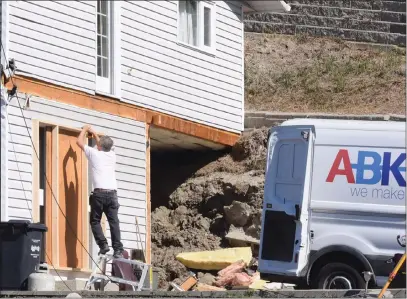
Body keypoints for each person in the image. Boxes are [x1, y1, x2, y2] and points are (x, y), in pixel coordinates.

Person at [76, 125, 124, 258]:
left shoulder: (95, 154)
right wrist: (95, 133)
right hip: (112, 194)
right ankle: (118, 249)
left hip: (99, 194)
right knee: (114, 222)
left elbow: (79, 142)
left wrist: (85, 129)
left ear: (99, 147)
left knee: (95, 221)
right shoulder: (112, 155)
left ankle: (103, 245)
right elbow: (100, 145)